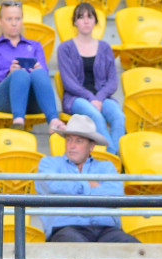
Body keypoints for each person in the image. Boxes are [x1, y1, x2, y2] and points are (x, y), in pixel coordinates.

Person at [35, 114, 138, 243]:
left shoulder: (106, 166)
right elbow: (53, 186)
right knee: (74, 247)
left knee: (133, 247)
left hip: (106, 228)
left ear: (91, 146)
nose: (71, 145)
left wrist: (71, 188)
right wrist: (90, 185)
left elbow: (115, 193)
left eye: (78, 141)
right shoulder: (49, 163)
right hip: (66, 228)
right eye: (69, 140)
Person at [56, 2, 124, 155]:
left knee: (119, 117)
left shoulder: (105, 48)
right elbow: (69, 82)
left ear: (95, 21)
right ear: (75, 22)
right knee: (95, 115)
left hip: (102, 98)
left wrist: (98, 98)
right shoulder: (65, 48)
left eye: (90, 17)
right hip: (76, 98)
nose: (86, 21)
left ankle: (111, 158)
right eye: (81, 17)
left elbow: (112, 82)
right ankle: (112, 158)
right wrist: (90, 98)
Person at [0, 0, 64, 131]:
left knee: (39, 72)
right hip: (1, 100)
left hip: (32, 100)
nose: (14, 23)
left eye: (18, 18)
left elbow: (43, 73)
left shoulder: (35, 45)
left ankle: (53, 120)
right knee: (19, 74)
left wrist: (37, 70)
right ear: (0, 21)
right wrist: (8, 73)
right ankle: (18, 120)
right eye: (9, 19)